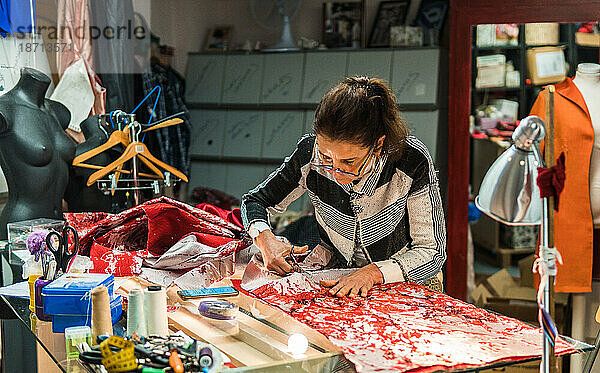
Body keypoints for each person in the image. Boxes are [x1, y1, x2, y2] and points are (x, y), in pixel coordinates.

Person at [241, 76, 446, 297]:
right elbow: (256, 201)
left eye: (348, 161)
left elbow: (431, 252)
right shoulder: (309, 154)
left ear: (378, 145)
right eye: (327, 158)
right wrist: (264, 237)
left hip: (403, 279)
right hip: (337, 274)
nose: (335, 173)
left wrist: (372, 273)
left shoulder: (411, 160)